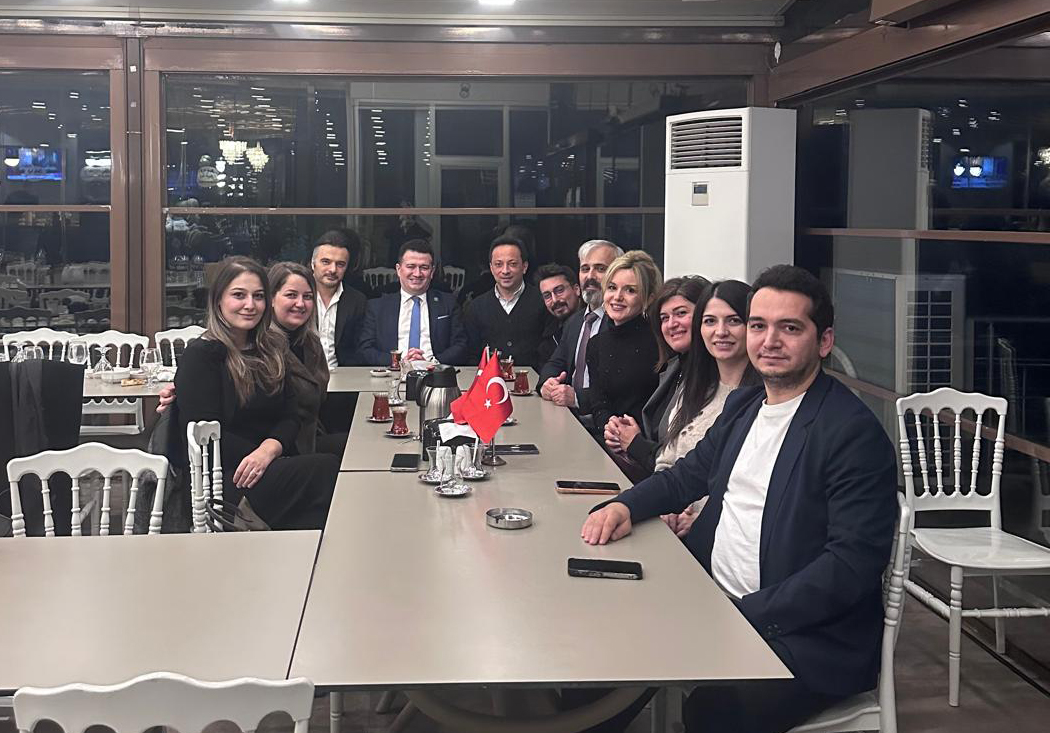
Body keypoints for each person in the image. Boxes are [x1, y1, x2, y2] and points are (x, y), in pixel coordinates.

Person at [581, 265, 898, 733]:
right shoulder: (745, 406)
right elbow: (687, 475)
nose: (770, 341)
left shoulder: (852, 433)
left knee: (711, 710)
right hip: (707, 593)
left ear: (824, 341)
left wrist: (741, 615)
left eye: (790, 328)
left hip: (799, 635)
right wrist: (625, 506)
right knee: (600, 653)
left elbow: (849, 568)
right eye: (759, 325)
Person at [173, 256, 339, 530]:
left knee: (320, 498)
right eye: (239, 295)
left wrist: (269, 450)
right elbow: (205, 434)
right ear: (218, 300)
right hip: (229, 478)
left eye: (258, 296)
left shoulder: (270, 349)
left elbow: (290, 416)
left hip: (270, 463)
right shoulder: (202, 355)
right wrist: (262, 457)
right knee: (326, 471)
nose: (250, 305)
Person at [601, 276, 709, 477]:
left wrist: (635, 443)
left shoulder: (714, 379)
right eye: (664, 318)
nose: (671, 324)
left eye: (681, 313)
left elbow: (683, 462)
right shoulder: (674, 367)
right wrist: (623, 434)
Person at [269, 261, 350, 457]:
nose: (300, 304)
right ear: (271, 298)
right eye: (291, 295)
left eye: (307, 297)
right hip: (282, 447)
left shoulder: (311, 343)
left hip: (311, 437)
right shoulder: (263, 347)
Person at [583, 250, 662, 434]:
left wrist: (631, 438)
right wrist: (609, 427)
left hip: (646, 441)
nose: (617, 297)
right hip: (606, 438)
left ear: (649, 298)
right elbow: (599, 404)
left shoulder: (661, 343)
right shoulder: (596, 344)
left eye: (630, 290)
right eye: (612, 287)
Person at [538, 239, 623, 410]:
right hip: (570, 415)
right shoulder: (575, 321)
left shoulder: (621, 322)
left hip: (606, 420)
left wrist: (577, 398)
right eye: (585, 269)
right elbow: (555, 363)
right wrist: (547, 383)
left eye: (600, 269)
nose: (590, 276)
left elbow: (621, 387)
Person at [354, 239, 468, 365]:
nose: (417, 274)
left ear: (432, 272)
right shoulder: (377, 307)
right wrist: (399, 362)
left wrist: (432, 363)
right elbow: (365, 348)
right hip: (392, 373)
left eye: (424, 267)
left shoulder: (448, 303)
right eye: (411, 266)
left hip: (435, 372)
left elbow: (461, 345)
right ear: (398, 269)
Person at [463, 235, 553, 368]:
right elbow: (472, 355)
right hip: (490, 379)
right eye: (498, 264)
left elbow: (549, 352)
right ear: (491, 268)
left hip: (533, 378)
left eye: (512, 264)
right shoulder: (476, 307)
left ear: (524, 267)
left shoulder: (542, 302)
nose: (505, 271)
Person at [310, 229, 368, 367]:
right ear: (313, 263)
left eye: (340, 264)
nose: (333, 270)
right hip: (304, 375)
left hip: (343, 375)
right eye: (326, 262)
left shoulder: (357, 301)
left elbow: (359, 350)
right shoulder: (298, 297)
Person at [535, 262, 581, 366]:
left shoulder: (593, 324)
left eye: (559, 291)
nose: (555, 300)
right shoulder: (548, 338)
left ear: (577, 289)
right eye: (547, 296)